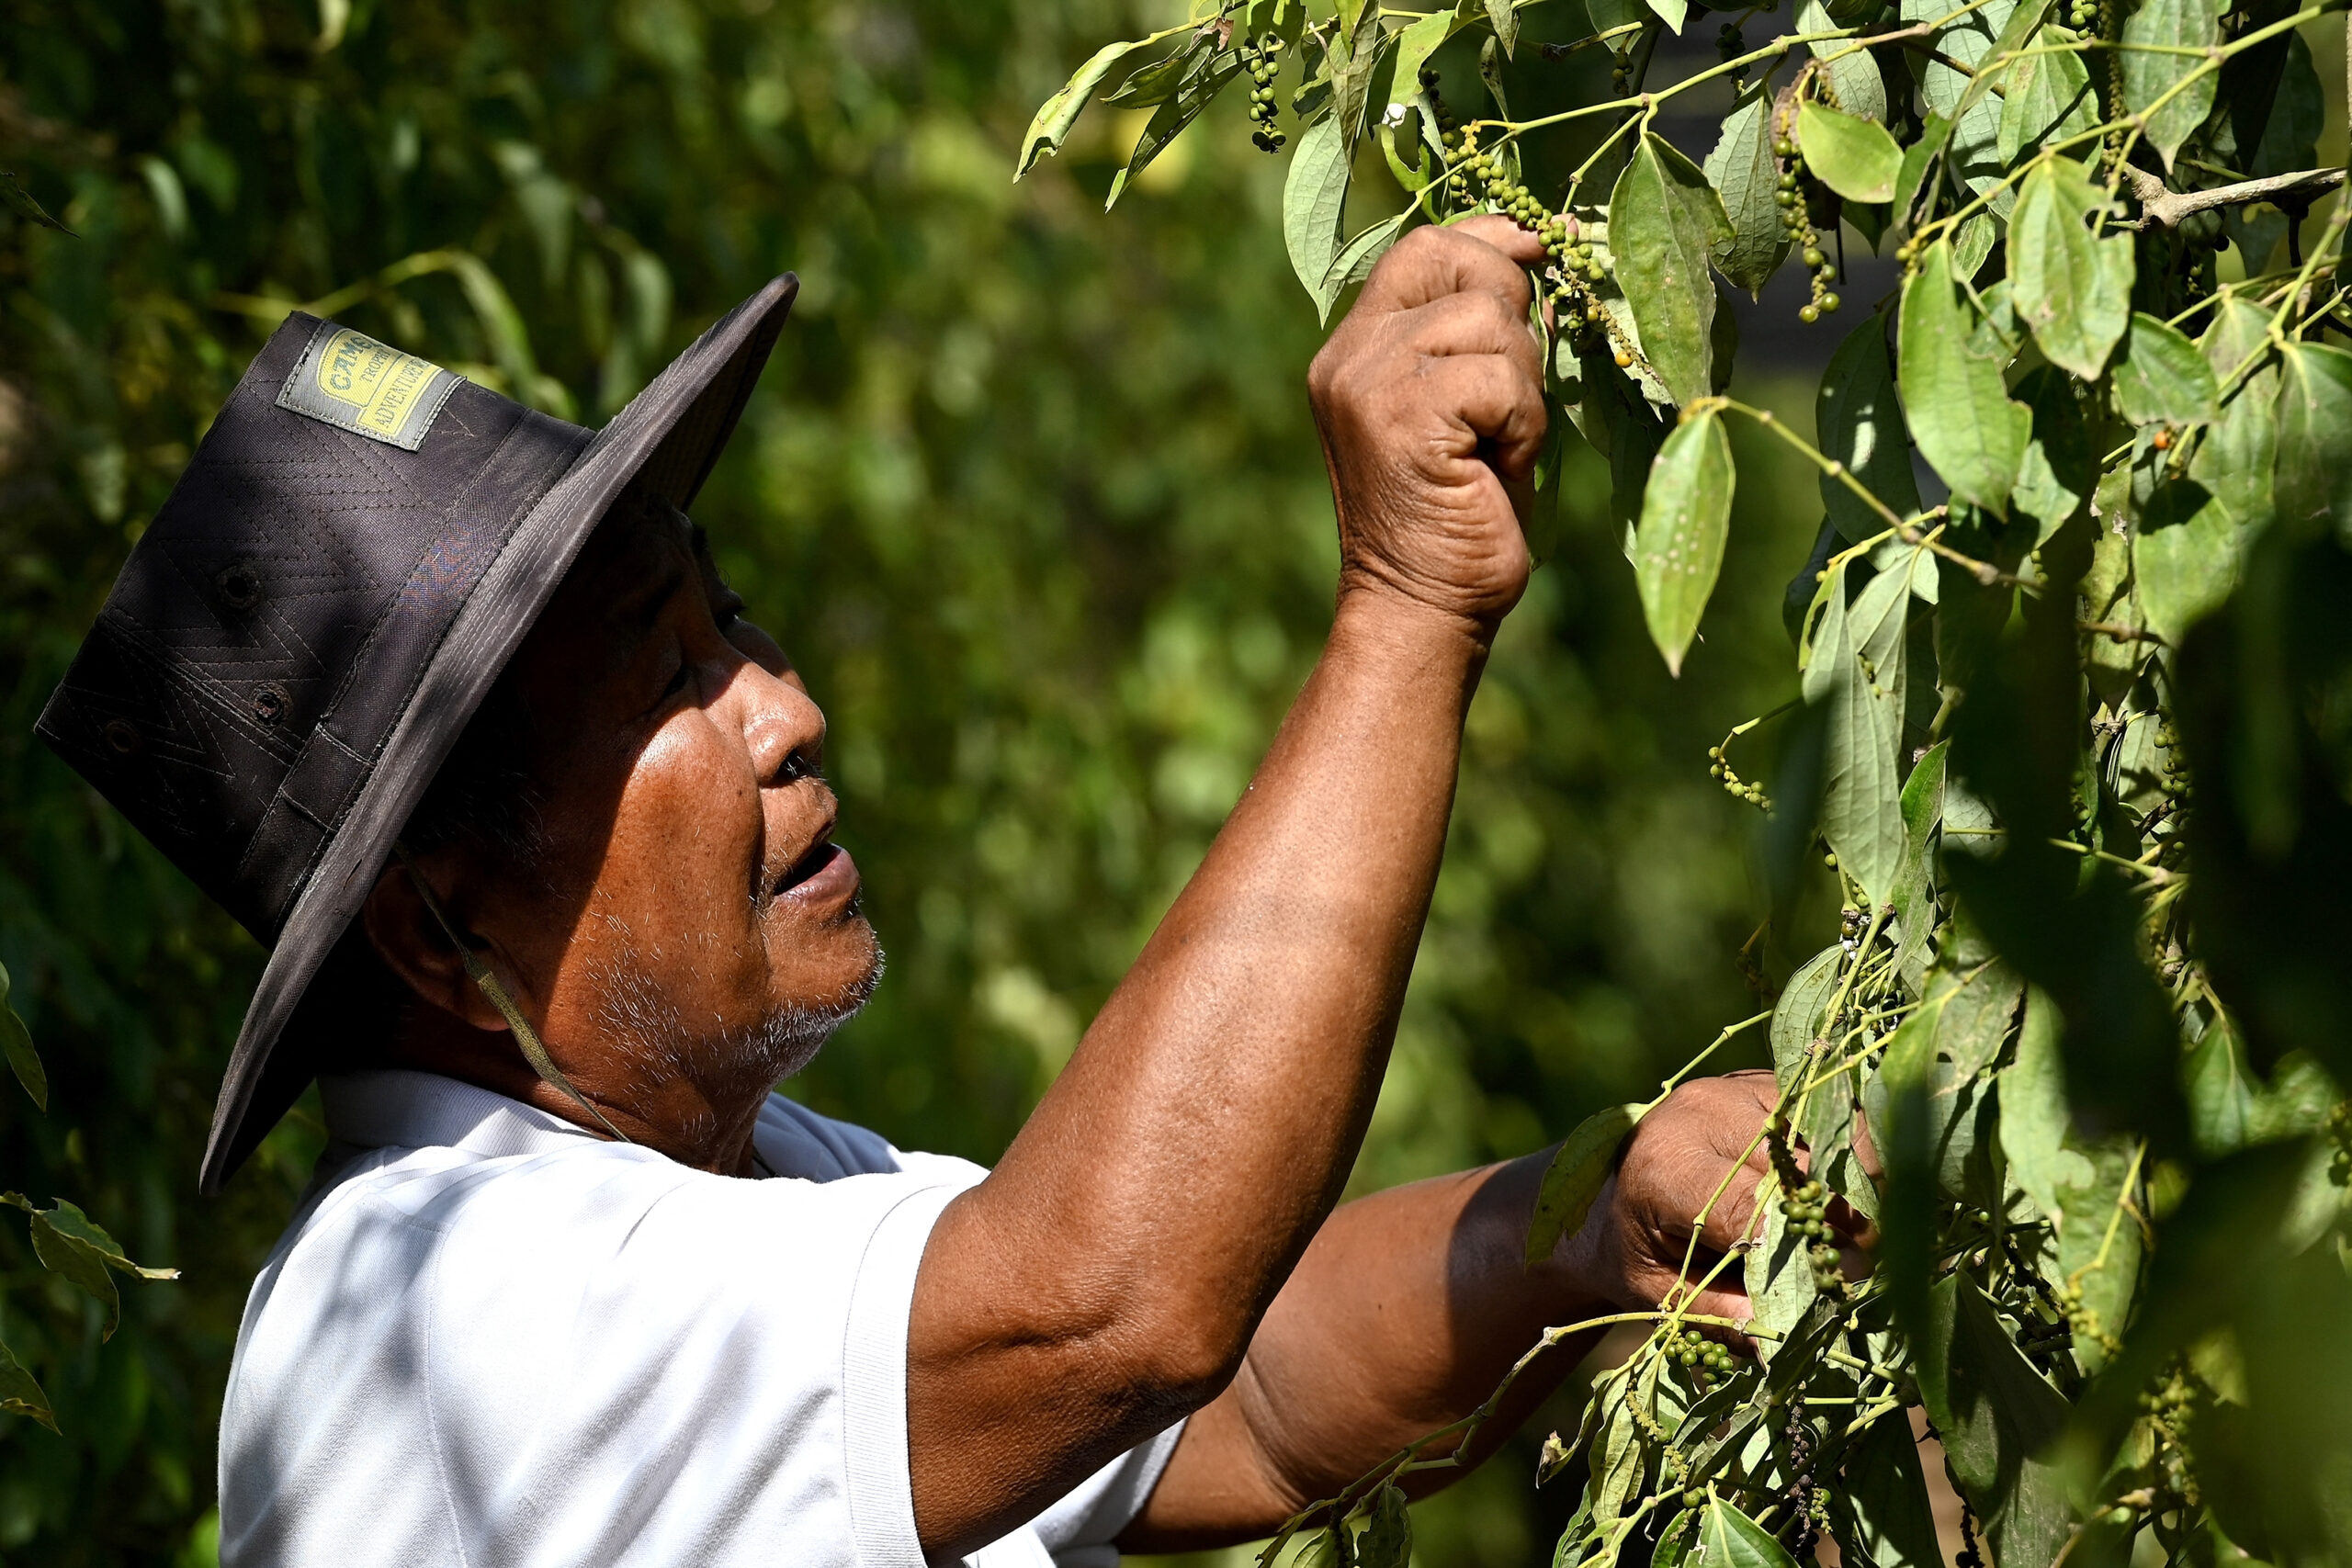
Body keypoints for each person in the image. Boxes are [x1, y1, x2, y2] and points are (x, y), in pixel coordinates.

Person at [38, 217, 1834, 1566]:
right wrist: (1405, 597)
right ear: (436, 922)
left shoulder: (757, 1195)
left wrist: (1591, 1223)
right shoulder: (437, 1298)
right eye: (662, 685)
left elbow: (1244, 1396)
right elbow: (1112, 1310)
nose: (786, 704)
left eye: (725, 620)